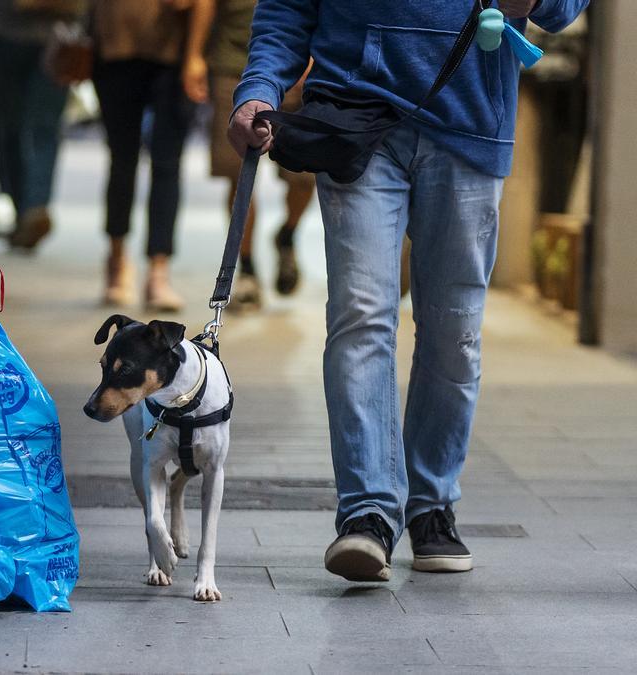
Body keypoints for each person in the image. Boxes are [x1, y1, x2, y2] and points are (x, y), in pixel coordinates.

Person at [228, 0, 589, 582]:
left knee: (454, 329)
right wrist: (260, 87)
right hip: (355, 117)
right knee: (361, 314)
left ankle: (431, 506)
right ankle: (367, 512)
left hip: (470, 123)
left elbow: (564, 9)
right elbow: (288, 9)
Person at [92, 0, 211, 311]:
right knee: (121, 159)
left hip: (173, 56)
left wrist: (195, 54)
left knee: (167, 163)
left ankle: (159, 272)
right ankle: (116, 260)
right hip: (114, 49)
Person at [0, 0, 85, 251]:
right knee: (43, 128)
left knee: (10, 128)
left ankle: (25, 208)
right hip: (57, 35)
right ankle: (35, 205)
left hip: (7, 36)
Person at [203, 0, 315, 310]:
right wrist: (193, 58)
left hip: (300, 66)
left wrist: (319, 58)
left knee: (305, 178)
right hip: (233, 64)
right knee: (238, 175)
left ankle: (287, 235)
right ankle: (248, 270)